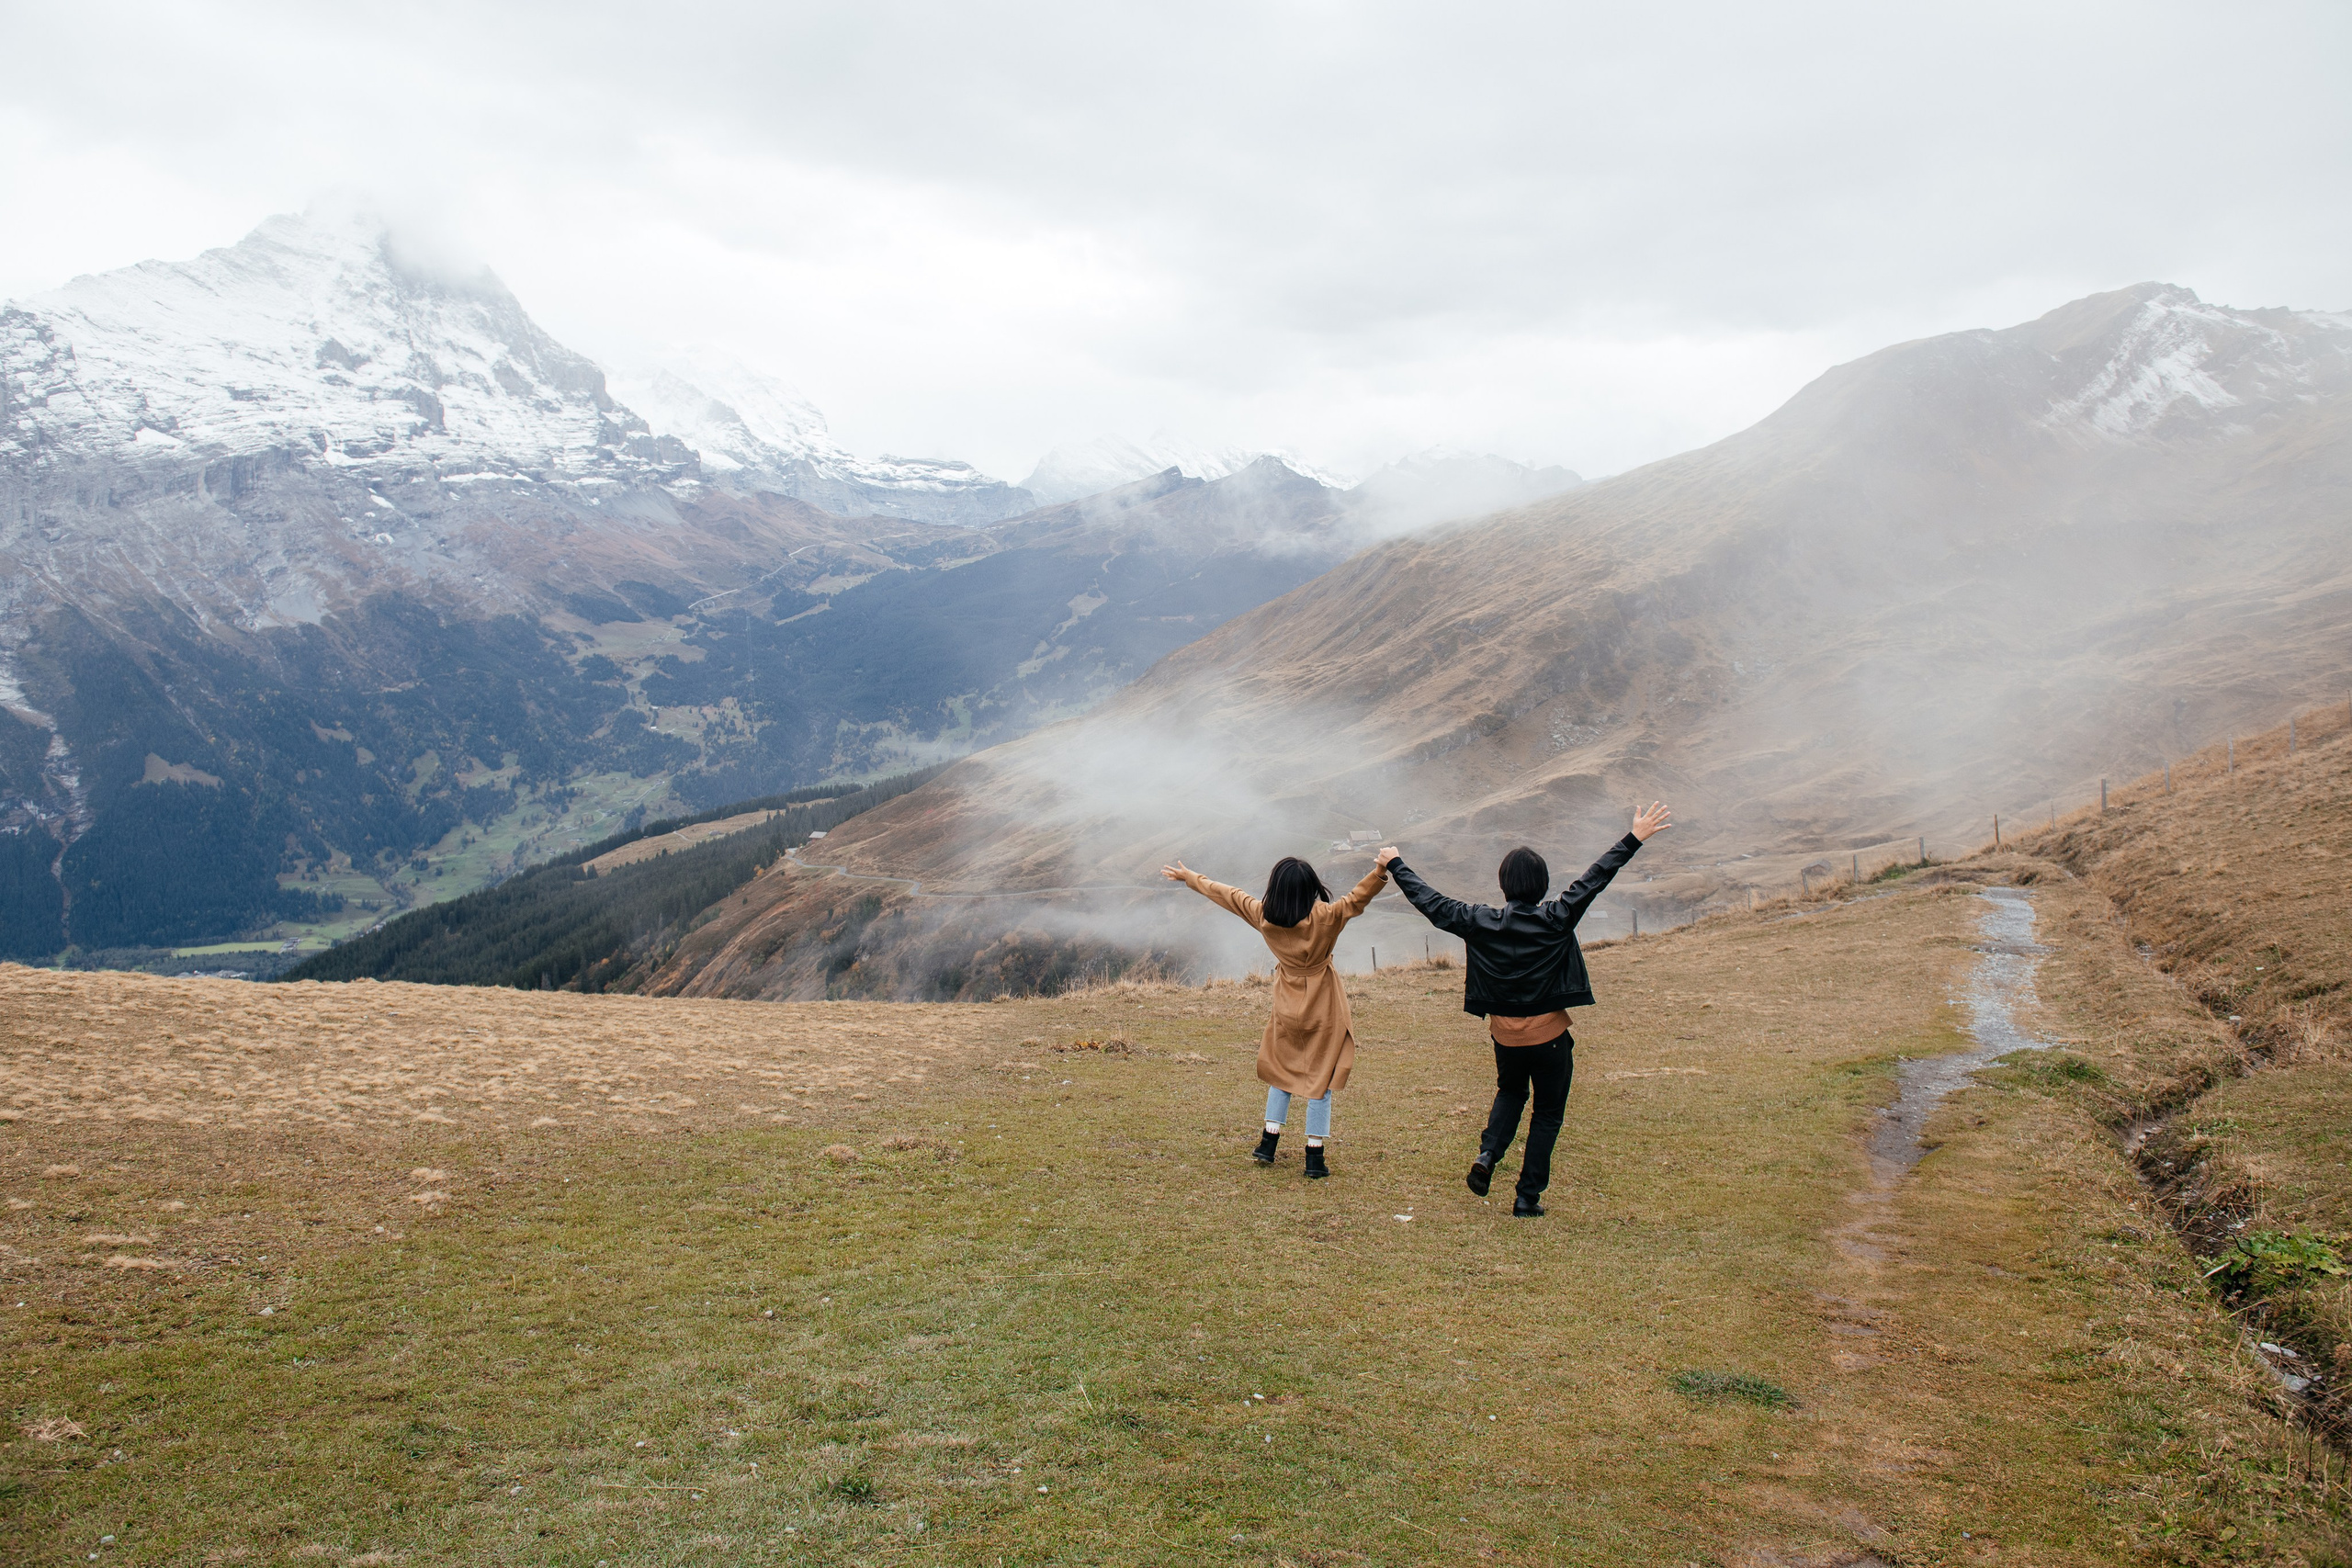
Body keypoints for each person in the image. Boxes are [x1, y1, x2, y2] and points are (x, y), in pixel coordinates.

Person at [1377, 803, 1672, 1217]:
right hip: (1550, 1036)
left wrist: (1396, 864)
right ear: (1542, 885)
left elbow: (1432, 903)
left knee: (1511, 1091)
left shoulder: (1478, 921)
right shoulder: (1556, 917)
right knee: (1547, 1115)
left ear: (1504, 885)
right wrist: (1634, 837)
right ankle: (1526, 1197)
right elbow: (1594, 879)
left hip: (1505, 1035)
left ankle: (1488, 1154)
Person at [1162, 852, 1389, 1178]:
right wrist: (1379, 871)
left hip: (1286, 1003)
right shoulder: (1325, 917)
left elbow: (1227, 894)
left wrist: (1190, 878)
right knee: (1321, 1079)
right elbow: (1357, 898)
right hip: (1323, 1006)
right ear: (1310, 889)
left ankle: (1268, 1143)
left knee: (1282, 1071)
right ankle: (1314, 1157)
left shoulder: (1264, 916)